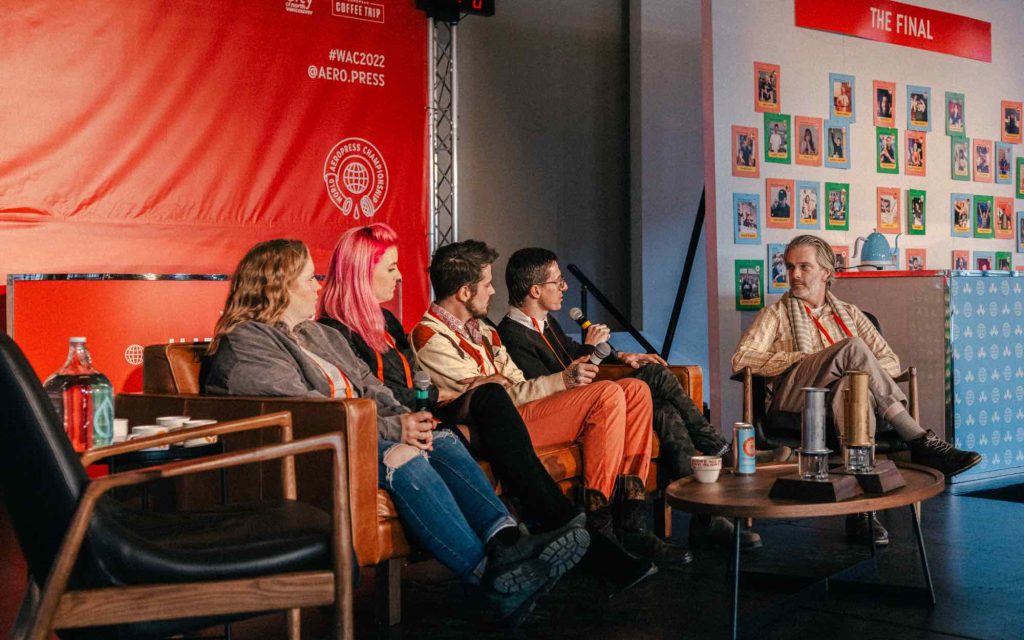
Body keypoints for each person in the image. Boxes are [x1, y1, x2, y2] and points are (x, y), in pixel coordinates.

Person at [203, 239, 587, 627]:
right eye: (308, 279)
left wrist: (409, 421)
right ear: (278, 286)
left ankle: (508, 548)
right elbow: (306, 412)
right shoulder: (249, 340)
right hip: (320, 448)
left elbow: (372, 387)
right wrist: (394, 430)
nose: (318, 286)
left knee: (441, 439)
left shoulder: (319, 335)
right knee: (404, 457)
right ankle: (489, 578)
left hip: (362, 430)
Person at [316, 224, 593, 568]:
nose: (400, 276)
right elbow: (370, 392)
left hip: (423, 409)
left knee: (489, 395)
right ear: (361, 273)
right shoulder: (333, 331)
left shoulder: (385, 320)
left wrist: (456, 390)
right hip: (400, 422)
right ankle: (554, 520)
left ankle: (545, 523)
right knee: (489, 401)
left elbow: (413, 382)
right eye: (390, 268)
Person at [411, 241, 678, 586]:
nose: (494, 290)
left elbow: (514, 385)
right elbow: (493, 399)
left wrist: (504, 382)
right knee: (608, 394)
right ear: (464, 292)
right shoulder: (430, 336)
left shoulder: (487, 331)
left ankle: (632, 520)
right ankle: (599, 521)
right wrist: (557, 380)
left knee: (636, 390)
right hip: (498, 426)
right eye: (488, 283)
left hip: (516, 409)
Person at [497, 248, 766, 549]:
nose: (565, 287)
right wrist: (589, 349)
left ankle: (695, 518)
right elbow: (555, 387)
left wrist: (623, 355)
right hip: (570, 412)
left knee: (664, 411)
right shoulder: (512, 335)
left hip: (593, 402)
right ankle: (718, 447)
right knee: (657, 376)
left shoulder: (547, 324)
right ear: (535, 290)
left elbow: (573, 355)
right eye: (557, 281)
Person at [732, 235, 982, 545]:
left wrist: (852, 370)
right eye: (790, 267)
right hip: (795, 397)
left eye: (804, 267)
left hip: (839, 399)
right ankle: (919, 439)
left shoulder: (851, 313)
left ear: (826, 272)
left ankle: (863, 515)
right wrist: (803, 359)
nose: (794, 275)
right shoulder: (776, 314)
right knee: (851, 348)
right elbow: (741, 360)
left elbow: (890, 361)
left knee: (854, 387)